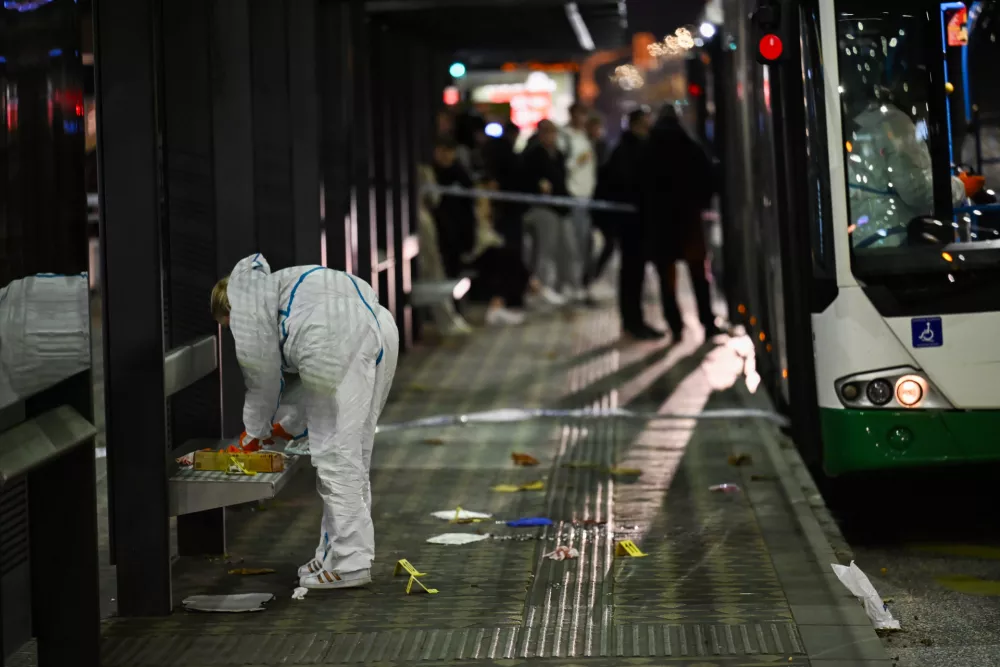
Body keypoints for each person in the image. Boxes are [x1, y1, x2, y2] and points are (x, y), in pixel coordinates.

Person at [211, 254, 399, 590]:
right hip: (378, 324)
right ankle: (333, 551)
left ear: (229, 313)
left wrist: (254, 434)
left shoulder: (248, 312)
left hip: (335, 338)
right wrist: (286, 426)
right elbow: (308, 376)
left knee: (335, 456)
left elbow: (264, 382)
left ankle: (351, 562)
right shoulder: (281, 286)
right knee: (353, 451)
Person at [639, 106, 720, 338]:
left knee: (667, 279)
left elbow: (638, 185)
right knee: (698, 274)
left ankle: (676, 326)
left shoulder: (648, 149)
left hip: (660, 224)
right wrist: (700, 203)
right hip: (689, 221)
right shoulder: (690, 147)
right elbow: (708, 179)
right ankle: (707, 322)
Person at [600, 108, 659, 339]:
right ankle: (633, 322)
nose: (648, 130)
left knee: (634, 274)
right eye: (645, 125)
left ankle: (634, 320)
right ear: (635, 126)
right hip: (632, 224)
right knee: (633, 274)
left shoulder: (627, 149)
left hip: (633, 223)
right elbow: (629, 186)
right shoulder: (629, 152)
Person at [522, 119, 575, 306]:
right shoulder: (533, 154)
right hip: (542, 209)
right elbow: (527, 179)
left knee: (562, 249)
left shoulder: (557, 154)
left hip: (559, 208)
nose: (551, 137)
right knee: (545, 251)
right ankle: (541, 288)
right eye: (547, 133)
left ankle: (559, 286)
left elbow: (561, 181)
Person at [559, 103, 598, 302]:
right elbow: (562, 165)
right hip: (574, 196)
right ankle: (572, 285)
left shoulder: (584, 136)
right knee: (575, 244)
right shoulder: (564, 137)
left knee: (586, 244)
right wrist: (577, 162)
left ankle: (582, 282)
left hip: (587, 196)